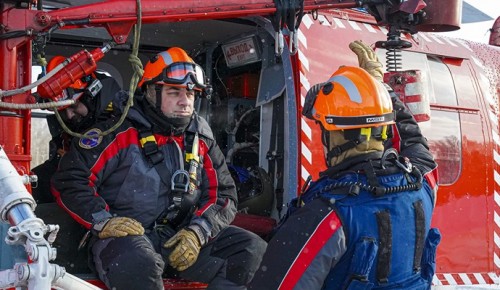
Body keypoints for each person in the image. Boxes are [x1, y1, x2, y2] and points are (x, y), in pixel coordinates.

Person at [51, 47, 267, 290]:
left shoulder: (201, 139)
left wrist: (197, 233)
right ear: (152, 92)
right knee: (137, 262)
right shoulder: (118, 133)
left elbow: (223, 195)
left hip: (180, 239)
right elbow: (71, 180)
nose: (185, 101)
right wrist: (102, 221)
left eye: (191, 93)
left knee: (251, 250)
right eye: (174, 92)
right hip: (122, 240)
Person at [249, 41, 440, 289]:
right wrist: (379, 89)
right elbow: (414, 140)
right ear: (381, 129)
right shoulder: (421, 185)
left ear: (338, 136)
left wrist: (379, 89)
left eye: (324, 130)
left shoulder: (324, 217)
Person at [32, 55, 122, 204]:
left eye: (73, 107)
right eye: (61, 110)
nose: (68, 115)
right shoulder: (70, 129)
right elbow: (56, 170)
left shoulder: (116, 125)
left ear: (90, 96)